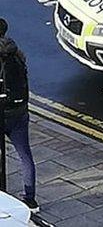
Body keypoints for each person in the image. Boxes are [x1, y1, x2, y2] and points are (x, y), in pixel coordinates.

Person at [0, 18, 37, 212]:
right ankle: (30, 200)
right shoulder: (17, 54)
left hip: (1, 112)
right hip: (19, 113)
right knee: (25, 155)